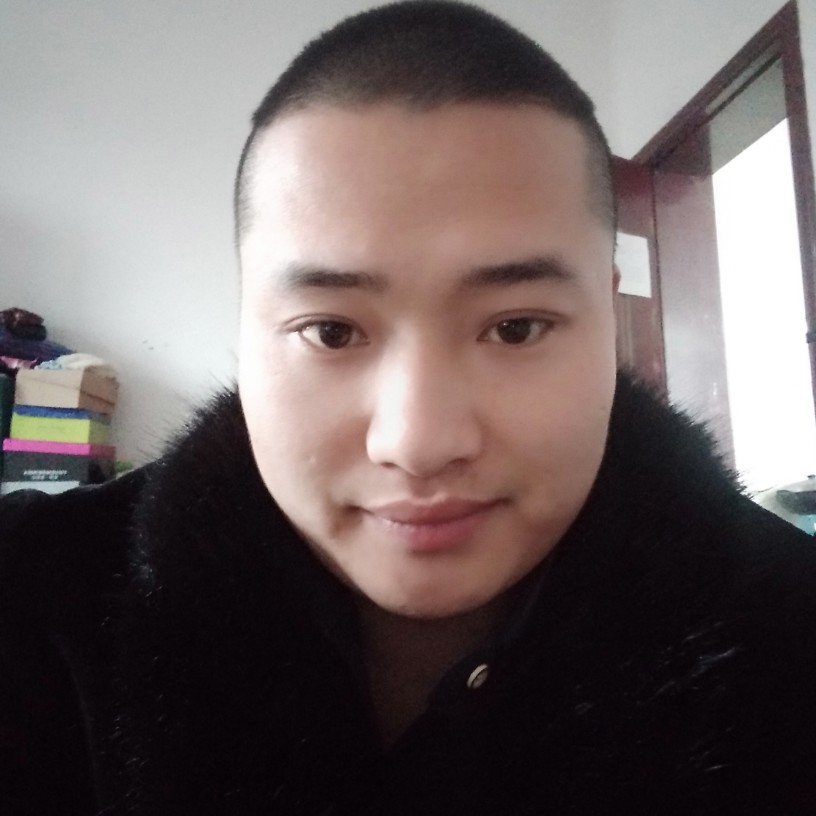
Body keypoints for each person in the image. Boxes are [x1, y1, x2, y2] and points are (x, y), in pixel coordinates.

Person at [2, 2, 815, 813]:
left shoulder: (788, 628)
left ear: (608, 311)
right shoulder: (35, 603)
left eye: (516, 327)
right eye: (330, 331)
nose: (419, 442)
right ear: (244, 321)